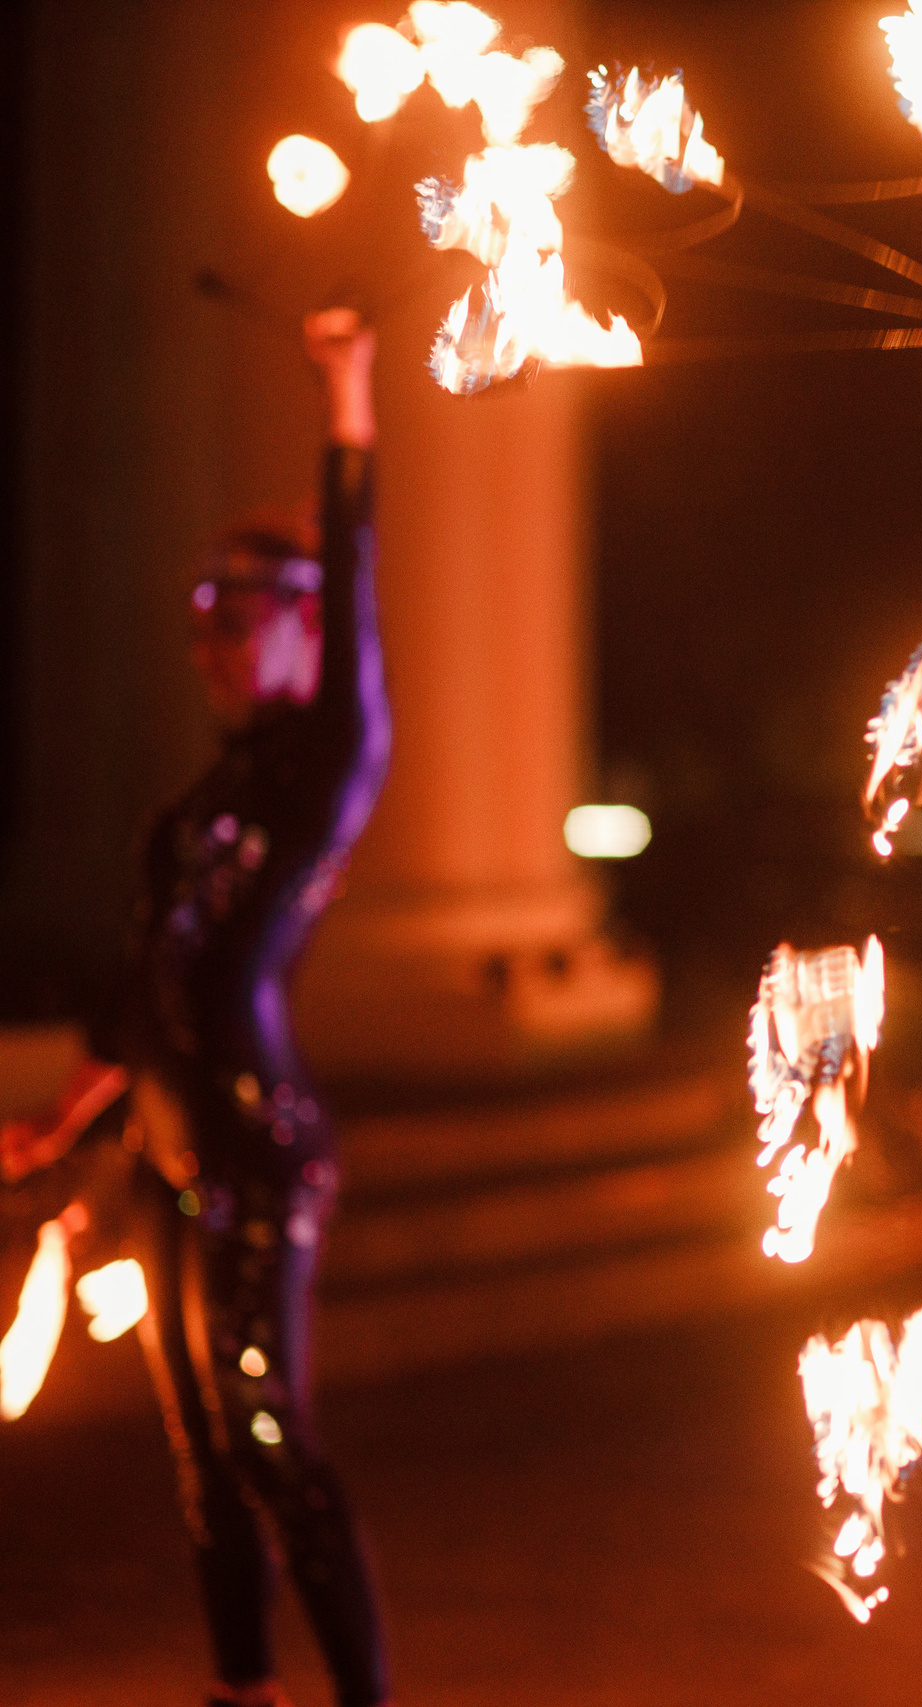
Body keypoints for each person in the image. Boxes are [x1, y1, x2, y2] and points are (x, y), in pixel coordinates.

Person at [1, 310, 397, 1707]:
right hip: (164, 1153)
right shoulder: (191, 811)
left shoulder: (323, 766)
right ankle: (245, 1688)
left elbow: (356, 601)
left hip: (253, 1148)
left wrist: (345, 399)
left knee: (274, 1436)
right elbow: (145, 991)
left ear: (301, 628)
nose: (211, 647)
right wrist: (60, 1117)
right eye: (201, 622)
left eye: (238, 619)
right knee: (202, 1453)